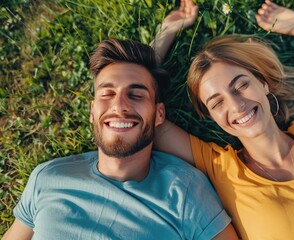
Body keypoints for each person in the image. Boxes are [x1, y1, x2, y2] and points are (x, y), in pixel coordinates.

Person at [2, 2, 239, 240]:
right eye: (107, 94)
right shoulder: (48, 178)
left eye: (136, 95)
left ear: (159, 114)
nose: (119, 105)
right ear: (92, 111)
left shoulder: (185, 193)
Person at [154, 0, 294, 239]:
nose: (235, 105)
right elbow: (135, 111)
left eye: (241, 85)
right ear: (210, 116)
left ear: (262, 83)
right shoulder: (219, 168)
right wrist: (167, 32)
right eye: (216, 103)